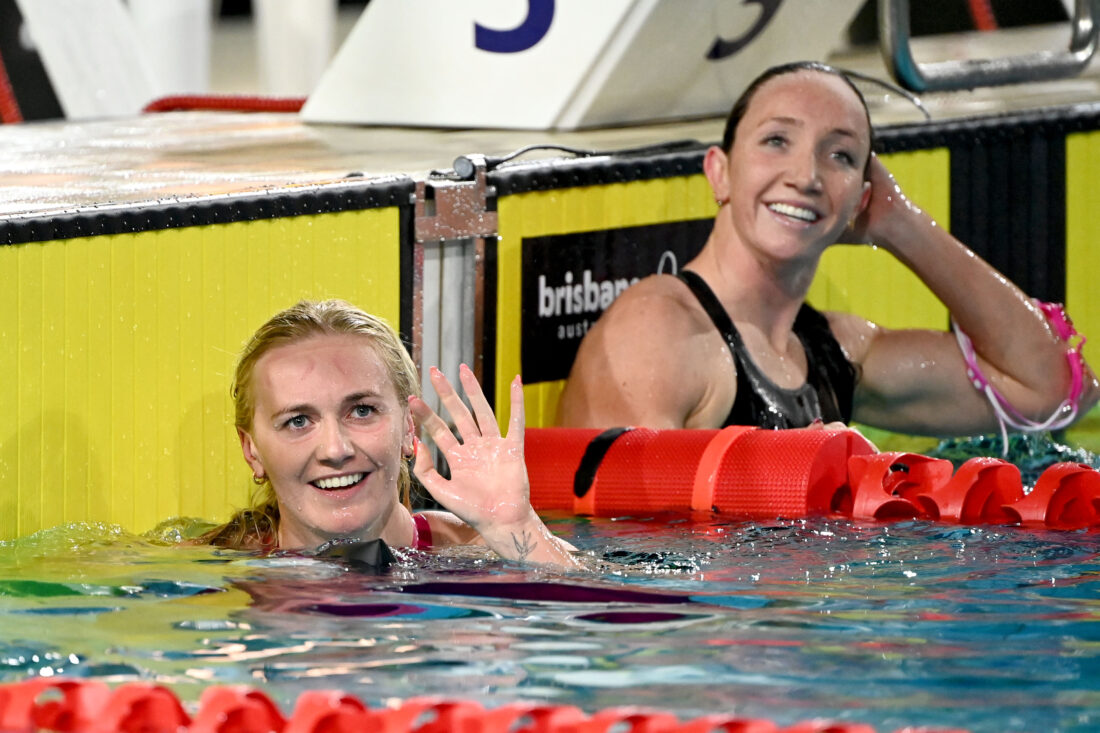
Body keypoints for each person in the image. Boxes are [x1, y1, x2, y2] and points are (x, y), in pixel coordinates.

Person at [558, 61, 1098, 439]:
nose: (806, 176)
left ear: (862, 198)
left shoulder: (834, 353)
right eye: (776, 141)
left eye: (838, 155)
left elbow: (1054, 392)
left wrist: (901, 223)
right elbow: (630, 565)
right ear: (718, 172)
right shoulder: (661, 333)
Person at [203, 299, 579, 569]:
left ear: (407, 427)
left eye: (362, 411)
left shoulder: (482, 553)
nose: (335, 449)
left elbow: (606, 633)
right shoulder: (211, 569)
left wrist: (517, 528)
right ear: (251, 450)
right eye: (298, 421)